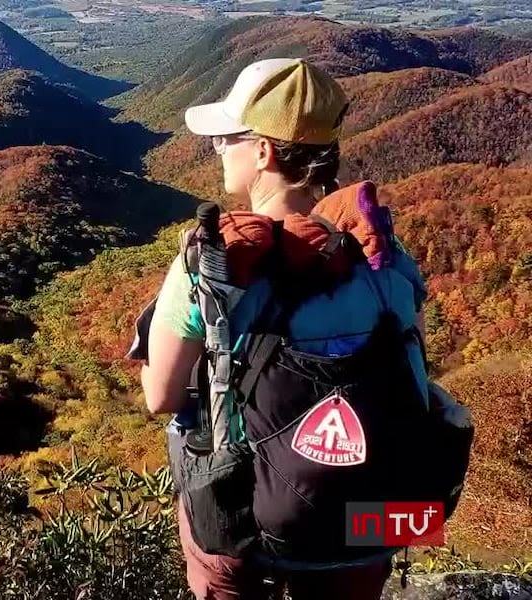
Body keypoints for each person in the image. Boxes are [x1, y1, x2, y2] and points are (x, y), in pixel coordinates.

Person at [137, 58, 433, 599]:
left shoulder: (215, 262)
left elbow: (160, 396)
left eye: (227, 139)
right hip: (372, 515)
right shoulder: (385, 261)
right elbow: (414, 372)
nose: (219, 150)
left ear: (265, 151)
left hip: (244, 519)